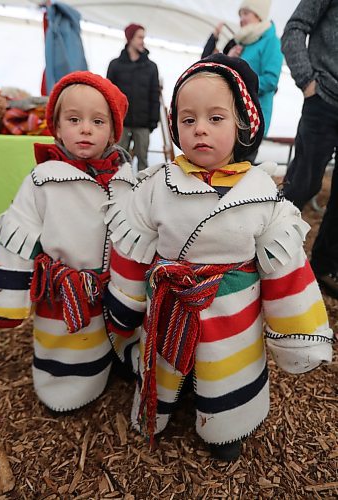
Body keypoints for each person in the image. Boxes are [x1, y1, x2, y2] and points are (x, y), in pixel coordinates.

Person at [103, 53, 333, 461]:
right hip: (171, 302)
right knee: (171, 363)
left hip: (232, 313)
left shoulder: (262, 193)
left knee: (226, 369)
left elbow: (286, 268)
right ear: (175, 126)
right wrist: (123, 304)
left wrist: (298, 332)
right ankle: (167, 402)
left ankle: (228, 421)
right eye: (188, 120)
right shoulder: (156, 184)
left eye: (216, 118)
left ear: (242, 124)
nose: (200, 131)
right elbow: (132, 244)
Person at [0, 71, 135, 412]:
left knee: (115, 333)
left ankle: (116, 362)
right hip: (63, 289)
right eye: (74, 119)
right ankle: (62, 391)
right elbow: (17, 234)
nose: (85, 128)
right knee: (68, 343)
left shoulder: (125, 179)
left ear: (113, 131)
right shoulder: (43, 181)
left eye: (98, 121)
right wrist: (9, 298)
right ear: (56, 125)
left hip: (113, 289)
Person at [281, 0, 338, 299]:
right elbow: (294, 28)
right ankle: (267, 253)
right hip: (323, 99)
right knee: (304, 182)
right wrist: (307, 81)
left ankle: (324, 267)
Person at [202, 0, 283, 139]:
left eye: (246, 13)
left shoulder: (272, 41)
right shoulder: (242, 41)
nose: (241, 19)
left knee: (241, 160)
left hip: (253, 117)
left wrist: (239, 85)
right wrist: (229, 58)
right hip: (232, 114)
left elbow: (270, 81)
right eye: (240, 15)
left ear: (259, 15)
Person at [107, 23, 160, 171]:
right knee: (118, 160)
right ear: (130, 38)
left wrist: (153, 122)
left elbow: (154, 95)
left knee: (143, 161)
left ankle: (143, 191)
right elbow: (108, 95)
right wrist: (111, 120)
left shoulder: (151, 67)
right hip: (121, 123)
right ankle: (119, 189)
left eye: (143, 37)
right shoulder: (115, 65)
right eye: (139, 37)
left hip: (143, 124)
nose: (142, 40)